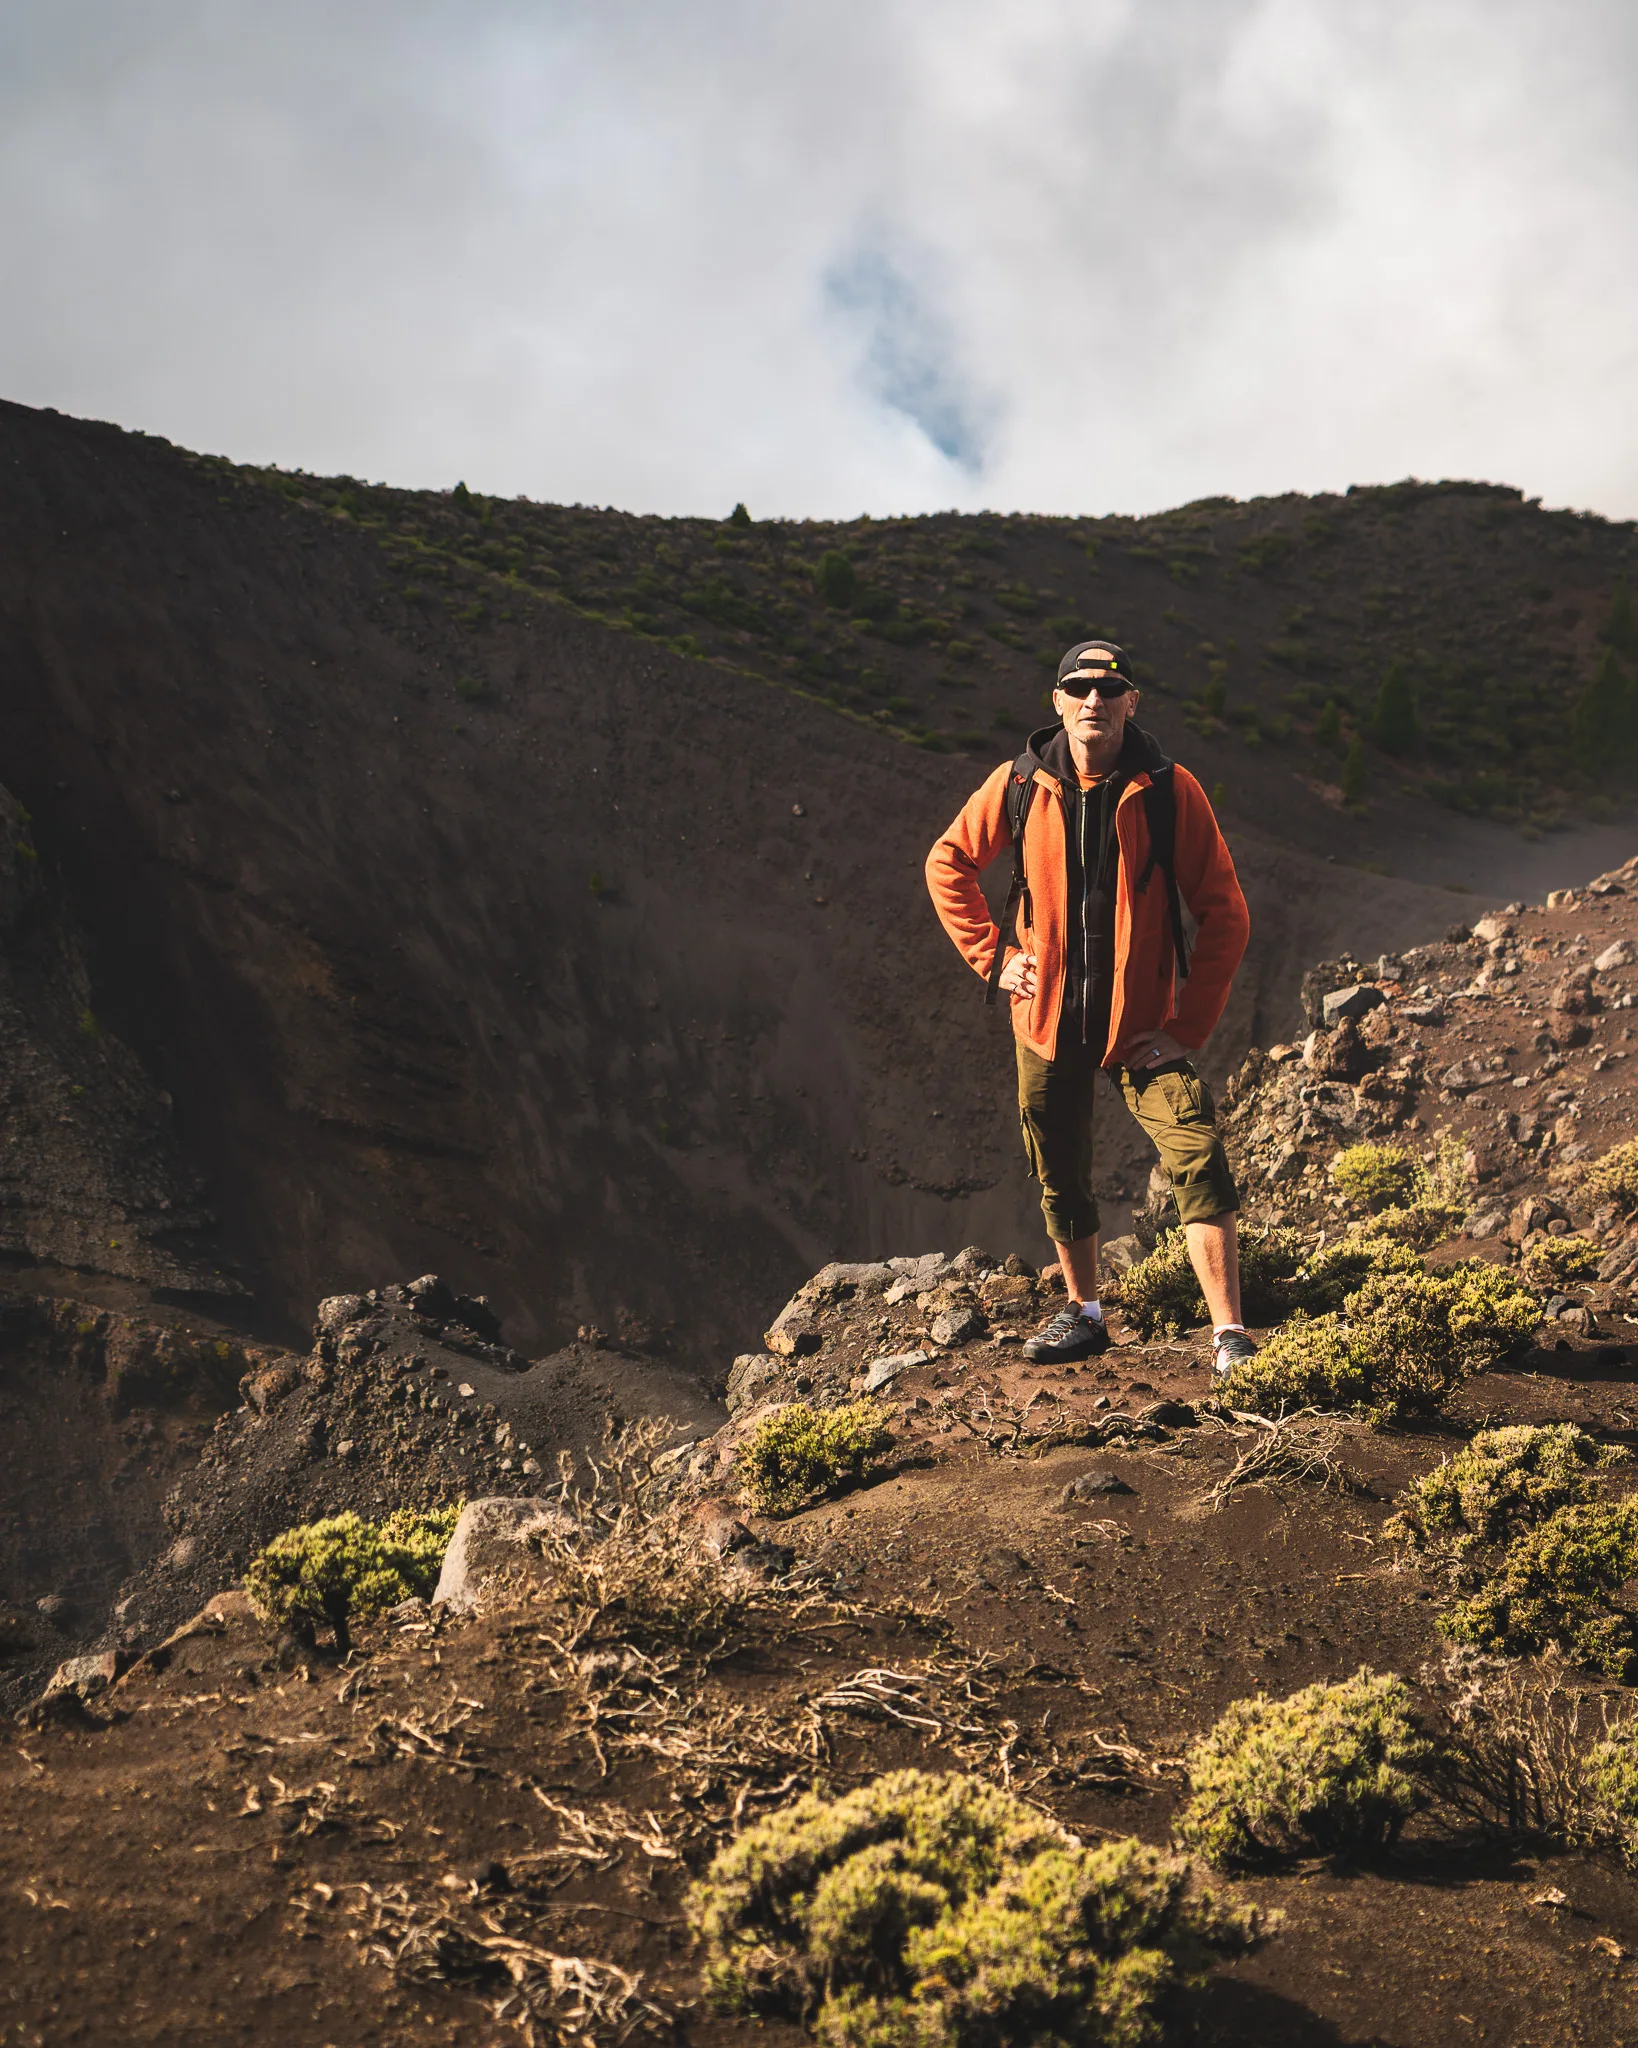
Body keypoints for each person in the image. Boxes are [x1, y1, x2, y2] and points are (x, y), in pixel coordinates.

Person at [926, 639, 1256, 1377]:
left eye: (1109, 690)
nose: (1093, 701)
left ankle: (1230, 1334)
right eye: (1079, 688)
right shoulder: (1020, 783)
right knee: (1060, 1167)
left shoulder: (1169, 790)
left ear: (1132, 702)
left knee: (1196, 1153)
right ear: (1058, 701)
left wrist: (1186, 1028)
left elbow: (1226, 913)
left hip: (1140, 1028)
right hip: (1047, 1019)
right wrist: (994, 958)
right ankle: (1084, 1313)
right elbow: (948, 862)